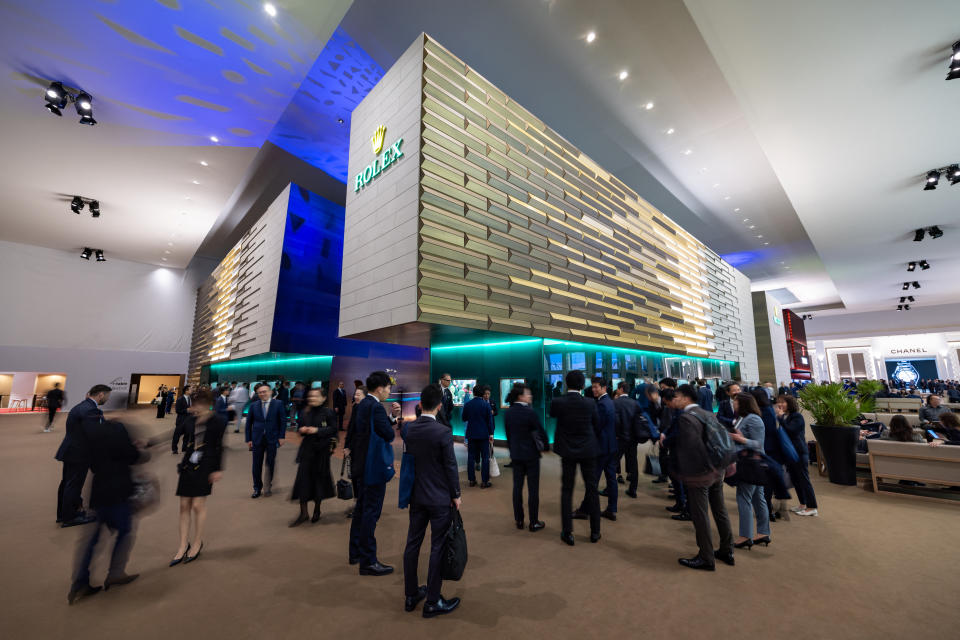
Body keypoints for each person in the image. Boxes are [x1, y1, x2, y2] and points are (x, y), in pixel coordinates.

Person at [68, 416, 144, 604]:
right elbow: (133, 457)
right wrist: (139, 448)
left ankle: (80, 581)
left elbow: (92, 464)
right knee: (125, 531)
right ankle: (115, 573)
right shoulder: (121, 436)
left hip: (98, 492)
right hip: (119, 493)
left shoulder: (95, 439)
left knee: (91, 540)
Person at [401, 383, 462, 618]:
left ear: (419, 405)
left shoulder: (410, 430)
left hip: (416, 496)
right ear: (439, 406)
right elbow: (450, 466)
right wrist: (456, 494)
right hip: (438, 498)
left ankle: (410, 594)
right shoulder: (443, 432)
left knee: (412, 544)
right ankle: (433, 601)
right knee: (438, 546)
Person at [673, 384, 734, 571]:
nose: (674, 400)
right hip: (718, 470)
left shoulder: (686, 418)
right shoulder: (707, 413)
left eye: (676, 396)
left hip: (701, 473)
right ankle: (726, 549)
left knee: (700, 514)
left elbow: (692, 449)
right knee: (720, 509)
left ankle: (706, 557)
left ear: (685, 398)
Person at [347, 371, 401, 576]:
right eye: (388, 388)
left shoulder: (362, 406)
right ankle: (368, 561)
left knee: (361, 510)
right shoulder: (376, 407)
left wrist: (389, 418)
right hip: (373, 467)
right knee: (371, 512)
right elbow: (386, 434)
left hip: (360, 465)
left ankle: (355, 552)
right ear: (379, 388)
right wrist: (393, 420)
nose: (389, 391)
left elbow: (368, 431)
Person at [171, 389, 226, 566]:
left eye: (200, 403)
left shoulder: (217, 420)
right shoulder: (190, 419)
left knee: (197, 505)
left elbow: (219, 446)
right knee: (183, 505)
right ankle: (182, 545)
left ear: (208, 403)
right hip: (188, 464)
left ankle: (197, 542)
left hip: (206, 465)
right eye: (195, 403)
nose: (196, 407)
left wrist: (217, 469)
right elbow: (178, 433)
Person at [550, 370, 601, 546]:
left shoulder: (558, 402)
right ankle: (595, 531)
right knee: (592, 489)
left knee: (567, 490)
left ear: (566, 383)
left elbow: (553, 415)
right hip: (588, 450)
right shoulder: (590, 403)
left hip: (567, 451)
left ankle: (568, 532)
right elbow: (597, 424)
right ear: (582, 385)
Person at [56, 385, 111, 527]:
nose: (107, 399)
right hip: (79, 453)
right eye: (107, 396)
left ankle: (63, 514)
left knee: (67, 483)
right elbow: (94, 434)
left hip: (70, 450)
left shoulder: (80, 406)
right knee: (73, 485)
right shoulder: (91, 410)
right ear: (100, 395)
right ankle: (69, 517)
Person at [289, 388, 338, 526]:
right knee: (302, 482)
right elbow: (300, 429)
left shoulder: (328, 412)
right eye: (310, 396)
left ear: (323, 398)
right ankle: (303, 513)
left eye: (316, 396)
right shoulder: (305, 411)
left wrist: (317, 430)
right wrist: (302, 430)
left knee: (319, 483)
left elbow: (333, 429)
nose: (312, 398)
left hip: (321, 453)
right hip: (307, 451)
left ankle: (317, 510)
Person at [504, 383, 548, 531]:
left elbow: (509, 436)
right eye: (528, 393)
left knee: (517, 488)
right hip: (531, 455)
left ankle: (519, 520)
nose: (530, 396)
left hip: (516, 455)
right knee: (533, 489)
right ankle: (534, 521)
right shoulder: (530, 412)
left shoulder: (508, 412)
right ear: (520, 396)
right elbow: (540, 432)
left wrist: (512, 451)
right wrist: (546, 446)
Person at [730, 392, 771, 549]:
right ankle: (763, 533)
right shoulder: (744, 418)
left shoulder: (753, 419)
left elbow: (758, 444)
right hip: (750, 464)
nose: (734, 404)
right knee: (757, 498)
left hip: (751, 464)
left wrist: (739, 439)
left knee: (743, 497)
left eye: (736, 402)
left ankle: (745, 536)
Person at [579, 376, 618, 520]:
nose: (594, 389)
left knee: (592, 480)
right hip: (611, 446)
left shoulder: (602, 404)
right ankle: (612, 509)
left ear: (604, 388)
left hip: (601, 448)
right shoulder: (610, 402)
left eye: (597, 387)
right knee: (611, 479)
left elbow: (597, 425)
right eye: (593, 386)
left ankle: (585, 509)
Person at [776, 394, 819, 517]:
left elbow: (791, 431)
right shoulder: (786, 416)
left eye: (783, 402)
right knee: (796, 480)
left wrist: (780, 419)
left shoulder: (797, 416)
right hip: (790, 453)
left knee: (804, 480)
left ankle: (812, 507)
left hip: (799, 452)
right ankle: (803, 504)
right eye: (779, 402)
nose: (780, 405)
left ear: (790, 403)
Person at [245, 382, 287, 498]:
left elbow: (283, 421)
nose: (262, 394)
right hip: (257, 439)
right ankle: (257, 488)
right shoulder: (254, 405)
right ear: (257, 394)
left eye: (264, 391)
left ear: (270, 392)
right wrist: (248, 439)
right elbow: (249, 424)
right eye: (260, 392)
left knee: (270, 463)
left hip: (272, 438)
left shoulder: (278, 404)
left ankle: (268, 485)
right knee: (256, 465)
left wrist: (282, 436)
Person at [462, 384, 495, 488]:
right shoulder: (486, 405)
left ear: (474, 392)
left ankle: (472, 480)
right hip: (484, 435)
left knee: (470, 457)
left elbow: (464, 418)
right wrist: (491, 434)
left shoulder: (468, 404)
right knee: (485, 457)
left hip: (471, 434)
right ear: (482, 393)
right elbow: (490, 422)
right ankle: (484, 481)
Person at [613, 382, 640, 498]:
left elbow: (615, 421)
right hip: (633, 438)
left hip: (620, 438)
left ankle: (610, 488)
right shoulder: (635, 403)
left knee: (612, 463)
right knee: (633, 463)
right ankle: (633, 489)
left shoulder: (615, 403)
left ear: (620, 389)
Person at [172, 385, 193, 454]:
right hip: (181, 420)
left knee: (187, 435)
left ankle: (184, 448)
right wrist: (186, 410)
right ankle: (174, 449)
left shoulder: (190, 398)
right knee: (177, 435)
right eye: (190, 389)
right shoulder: (180, 399)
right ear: (186, 391)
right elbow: (177, 410)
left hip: (188, 420)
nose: (192, 390)